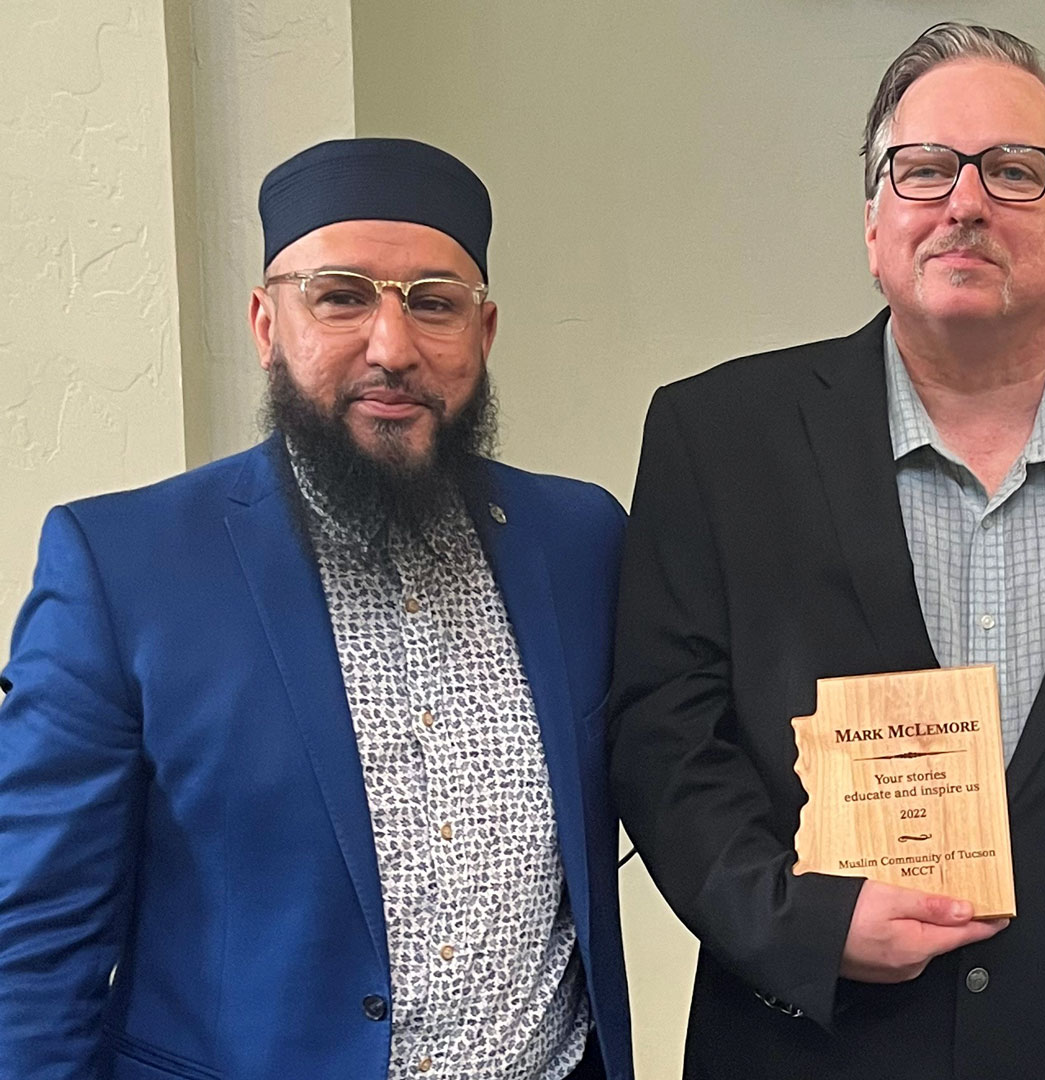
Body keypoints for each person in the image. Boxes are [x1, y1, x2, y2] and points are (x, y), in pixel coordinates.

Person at [609, 22, 1045, 1080]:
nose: (965, 203)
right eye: (924, 171)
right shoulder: (717, 438)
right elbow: (662, 737)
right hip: (809, 1042)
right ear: (875, 222)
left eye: (1014, 170)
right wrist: (801, 924)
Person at [0, 138, 633, 1080]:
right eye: (340, 296)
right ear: (266, 324)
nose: (393, 347)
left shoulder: (579, 538)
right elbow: (35, 944)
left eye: (435, 303)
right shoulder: (124, 568)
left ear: (484, 333)